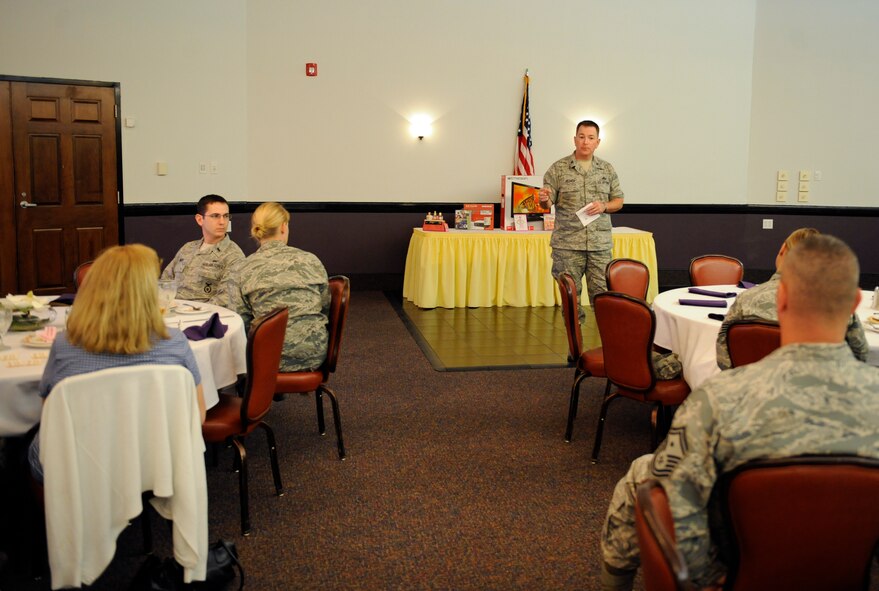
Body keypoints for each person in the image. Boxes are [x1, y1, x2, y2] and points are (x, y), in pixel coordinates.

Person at [599, 234, 879, 590]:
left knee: (645, 473)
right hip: (844, 569)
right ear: (855, 301)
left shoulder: (717, 401)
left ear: (781, 299)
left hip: (735, 574)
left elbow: (678, 501)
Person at [29, 244, 205, 483]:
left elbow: (49, 417)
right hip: (153, 460)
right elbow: (198, 415)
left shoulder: (65, 345)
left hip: (80, 466)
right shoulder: (175, 343)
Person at [715, 227, 868, 369]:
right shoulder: (838, 304)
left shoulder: (746, 299)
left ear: (782, 251)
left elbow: (724, 353)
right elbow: (860, 354)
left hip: (751, 389)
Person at [223, 202, 330, 372]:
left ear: (256, 230)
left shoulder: (241, 269)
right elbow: (325, 308)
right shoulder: (311, 260)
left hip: (265, 358)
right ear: (283, 226)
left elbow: (239, 321)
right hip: (314, 354)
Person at [539, 120, 624, 321]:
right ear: (575, 139)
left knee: (604, 299)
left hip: (599, 247)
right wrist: (544, 200)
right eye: (582, 137)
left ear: (598, 142)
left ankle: (609, 347)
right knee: (571, 302)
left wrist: (604, 206)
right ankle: (574, 349)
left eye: (591, 138)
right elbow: (547, 204)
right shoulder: (558, 169)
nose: (586, 142)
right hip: (568, 247)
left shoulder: (607, 169)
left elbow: (618, 201)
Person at [161, 194, 245, 303]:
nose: (222, 222)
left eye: (225, 216)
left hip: (205, 316)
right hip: (174, 311)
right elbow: (165, 282)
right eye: (215, 216)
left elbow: (225, 299)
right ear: (200, 219)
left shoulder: (233, 255)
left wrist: (194, 313)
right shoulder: (187, 248)